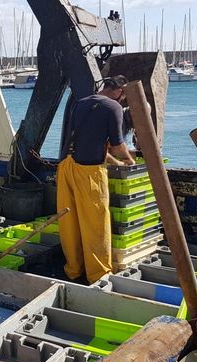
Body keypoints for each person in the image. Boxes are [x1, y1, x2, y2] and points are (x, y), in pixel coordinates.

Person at [56, 75, 135, 284]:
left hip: (66, 166)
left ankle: (73, 270)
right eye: (123, 96)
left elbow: (89, 141)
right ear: (119, 90)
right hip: (89, 173)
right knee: (96, 225)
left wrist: (113, 162)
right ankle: (98, 275)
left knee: (69, 223)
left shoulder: (81, 103)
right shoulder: (114, 108)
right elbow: (117, 146)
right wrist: (128, 160)